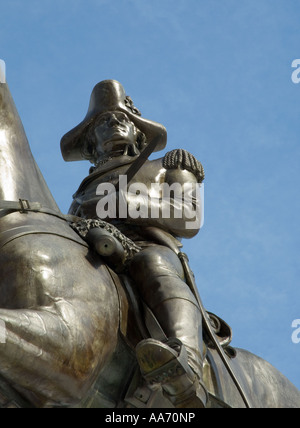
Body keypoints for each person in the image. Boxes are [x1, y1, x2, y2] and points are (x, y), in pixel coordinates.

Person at [61, 80, 207, 408]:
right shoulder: (80, 195)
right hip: (98, 255)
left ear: (138, 132)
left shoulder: (168, 165)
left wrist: (125, 203)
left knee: (152, 265)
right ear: (89, 141)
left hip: (146, 249)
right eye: (102, 122)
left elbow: (189, 218)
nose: (113, 123)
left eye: (122, 118)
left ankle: (186, 365)